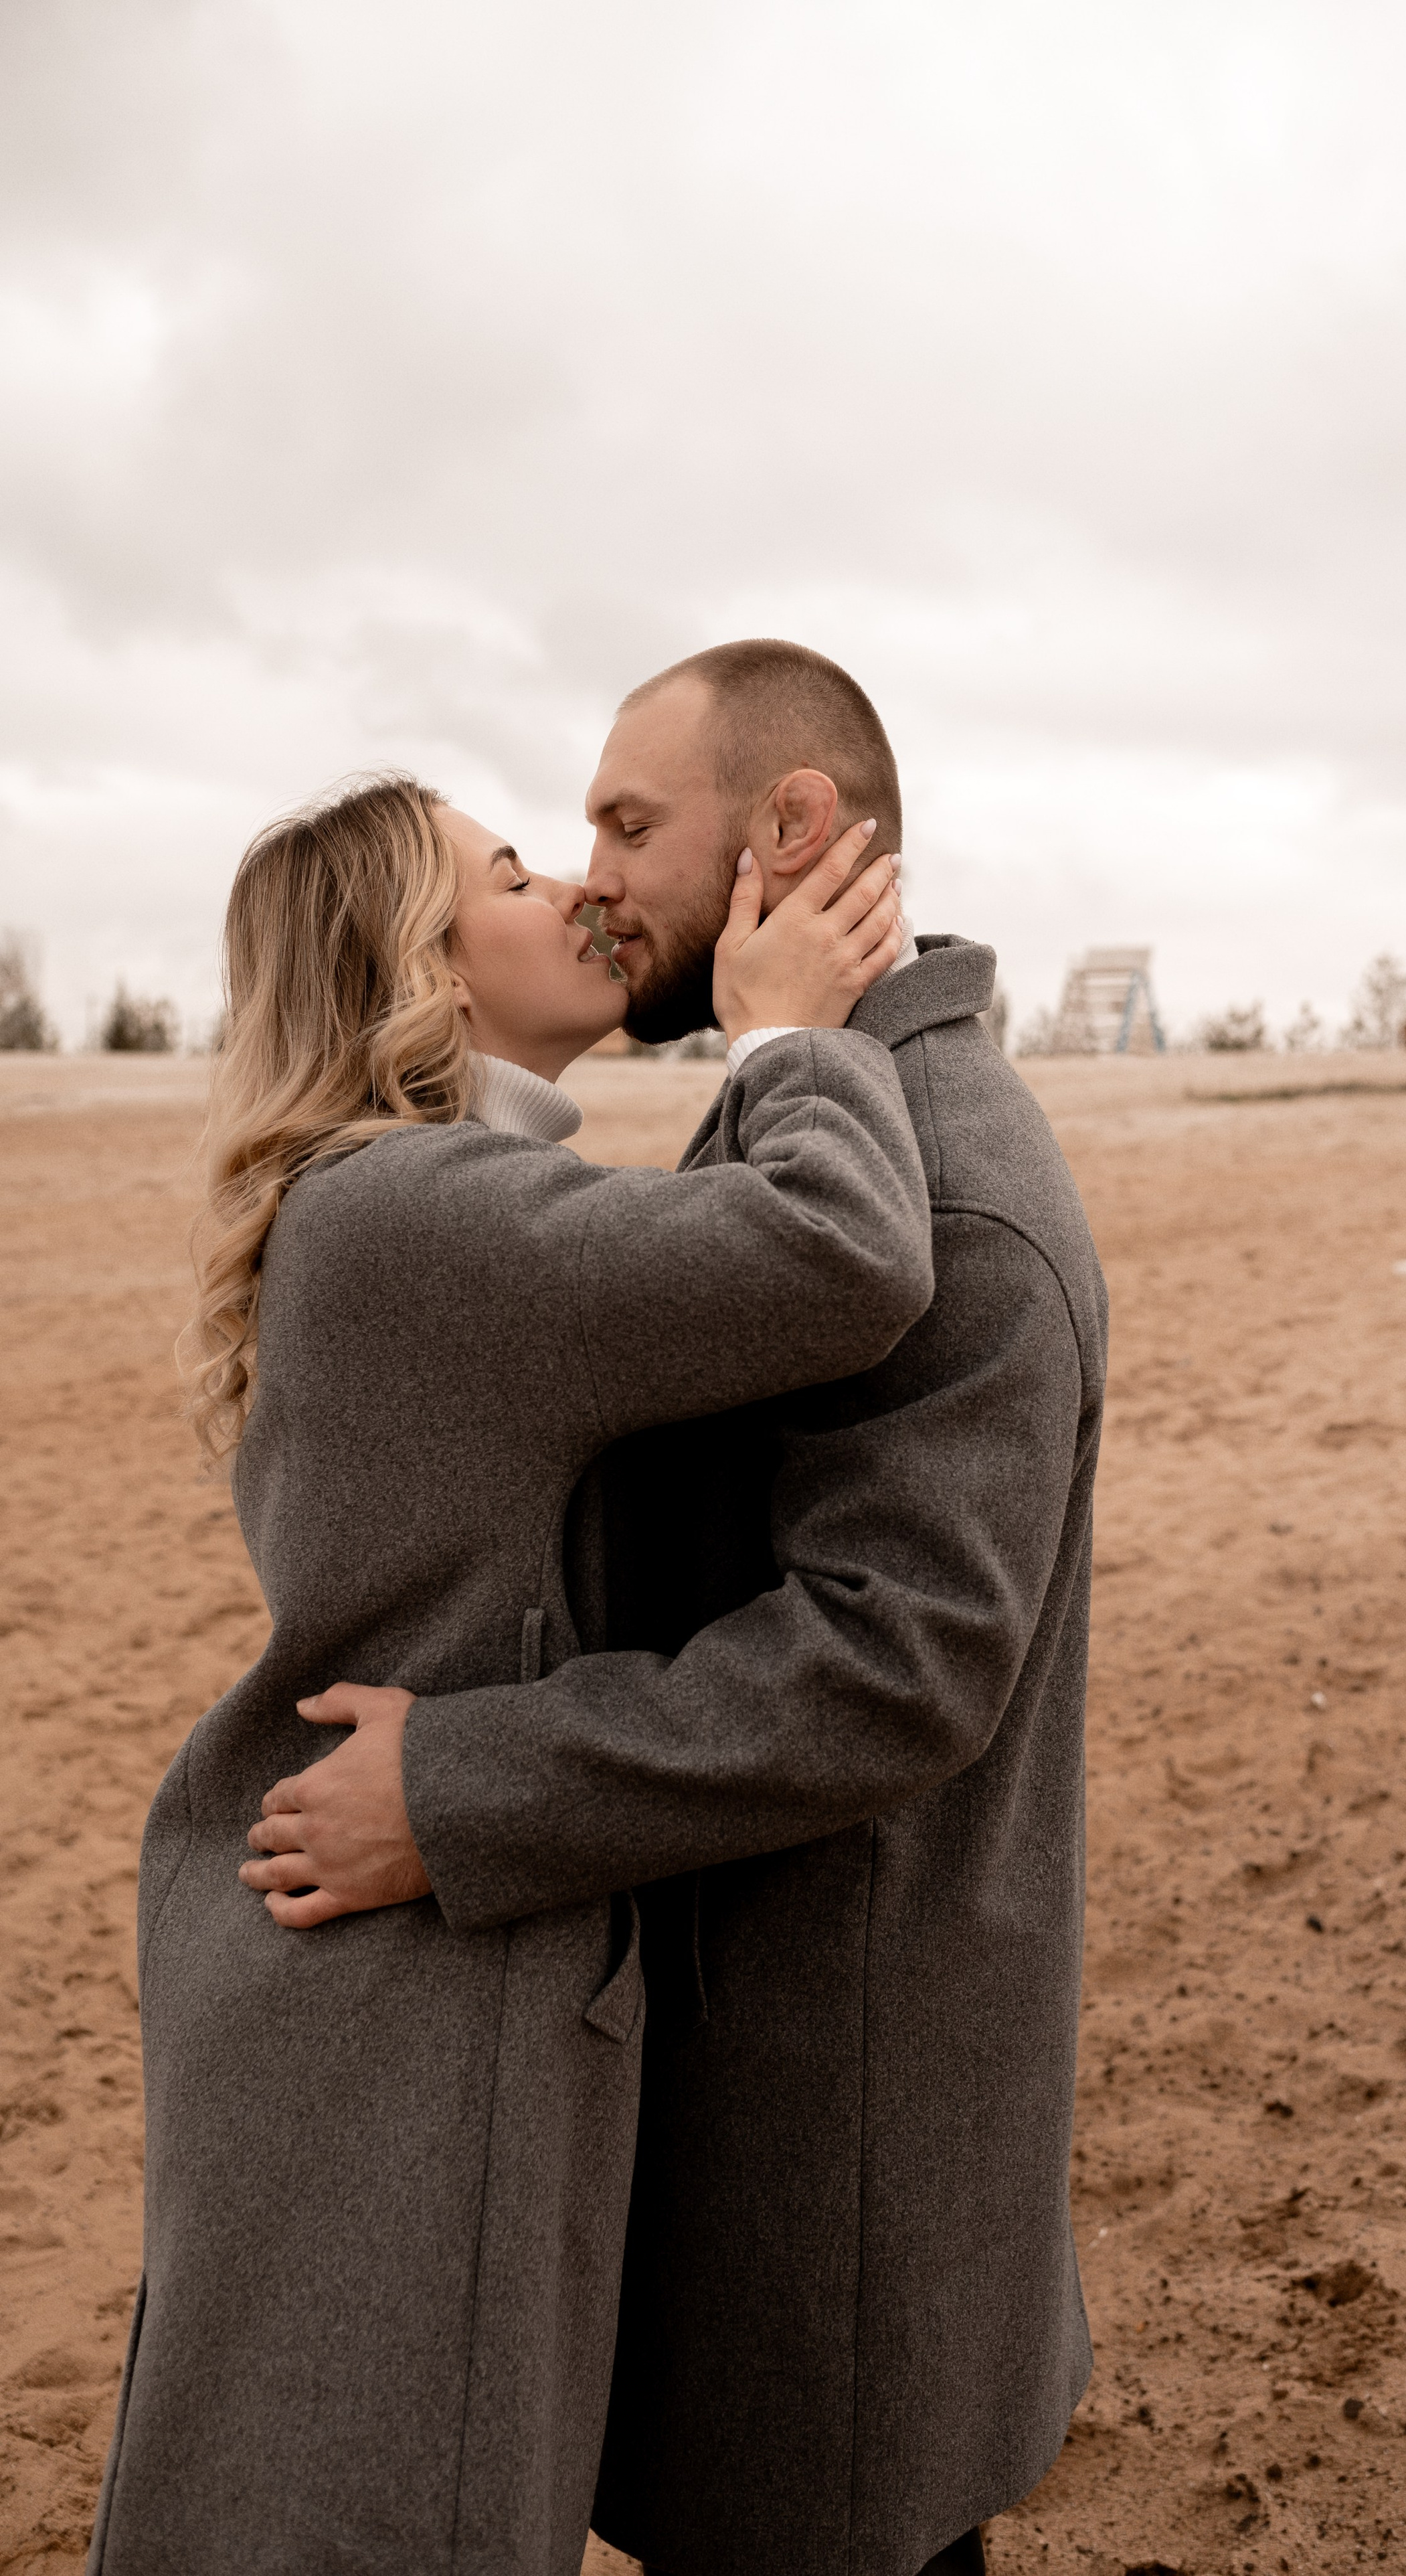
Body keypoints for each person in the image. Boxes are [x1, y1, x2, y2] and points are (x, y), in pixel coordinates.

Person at [258, 643, 1109, 2576]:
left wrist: (460, 1786)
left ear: (789, 828)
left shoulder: (949, 1196)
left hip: (835, 2139)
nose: (596, 876)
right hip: (747, 2071)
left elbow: (896, 1668)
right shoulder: (826, 1108)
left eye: (630, 825)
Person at [88, 771, 930, 2576]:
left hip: (369, 1965)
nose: (577, 894)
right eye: (514, 874)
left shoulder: (409, 1202)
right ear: (426, 964)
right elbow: (845, 1255)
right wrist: (788, 1036)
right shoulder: (418, 1213)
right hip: (397, 2011)